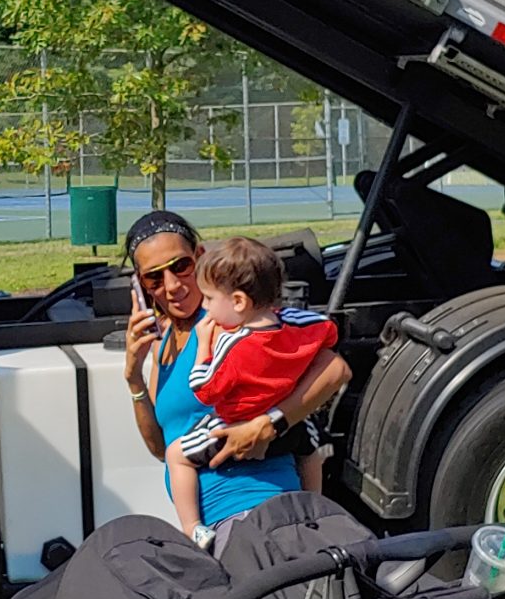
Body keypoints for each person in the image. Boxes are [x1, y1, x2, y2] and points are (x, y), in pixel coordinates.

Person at [119, 211, 351, 553]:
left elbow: (335, 369)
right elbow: (161, 448)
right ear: (141, 285)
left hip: (254, 507)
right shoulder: (164, 341)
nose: (171, 285)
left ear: (199, 258)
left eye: (180, 266)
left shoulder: (227, 320)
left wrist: (269, 423)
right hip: (214, 527)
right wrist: (133, 376)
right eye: (153, 278)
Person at [163, 237, 339, 548]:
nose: (205, 308)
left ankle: (192, 528)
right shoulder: (291, 325)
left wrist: (204, 347)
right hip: (288, 426)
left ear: (240, 302)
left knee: (176, 455)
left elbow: (205, 389)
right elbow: (325, 331)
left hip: (234, 428)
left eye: (208, 299)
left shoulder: (233, 342)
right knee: (311, 451)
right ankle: (317, 509)